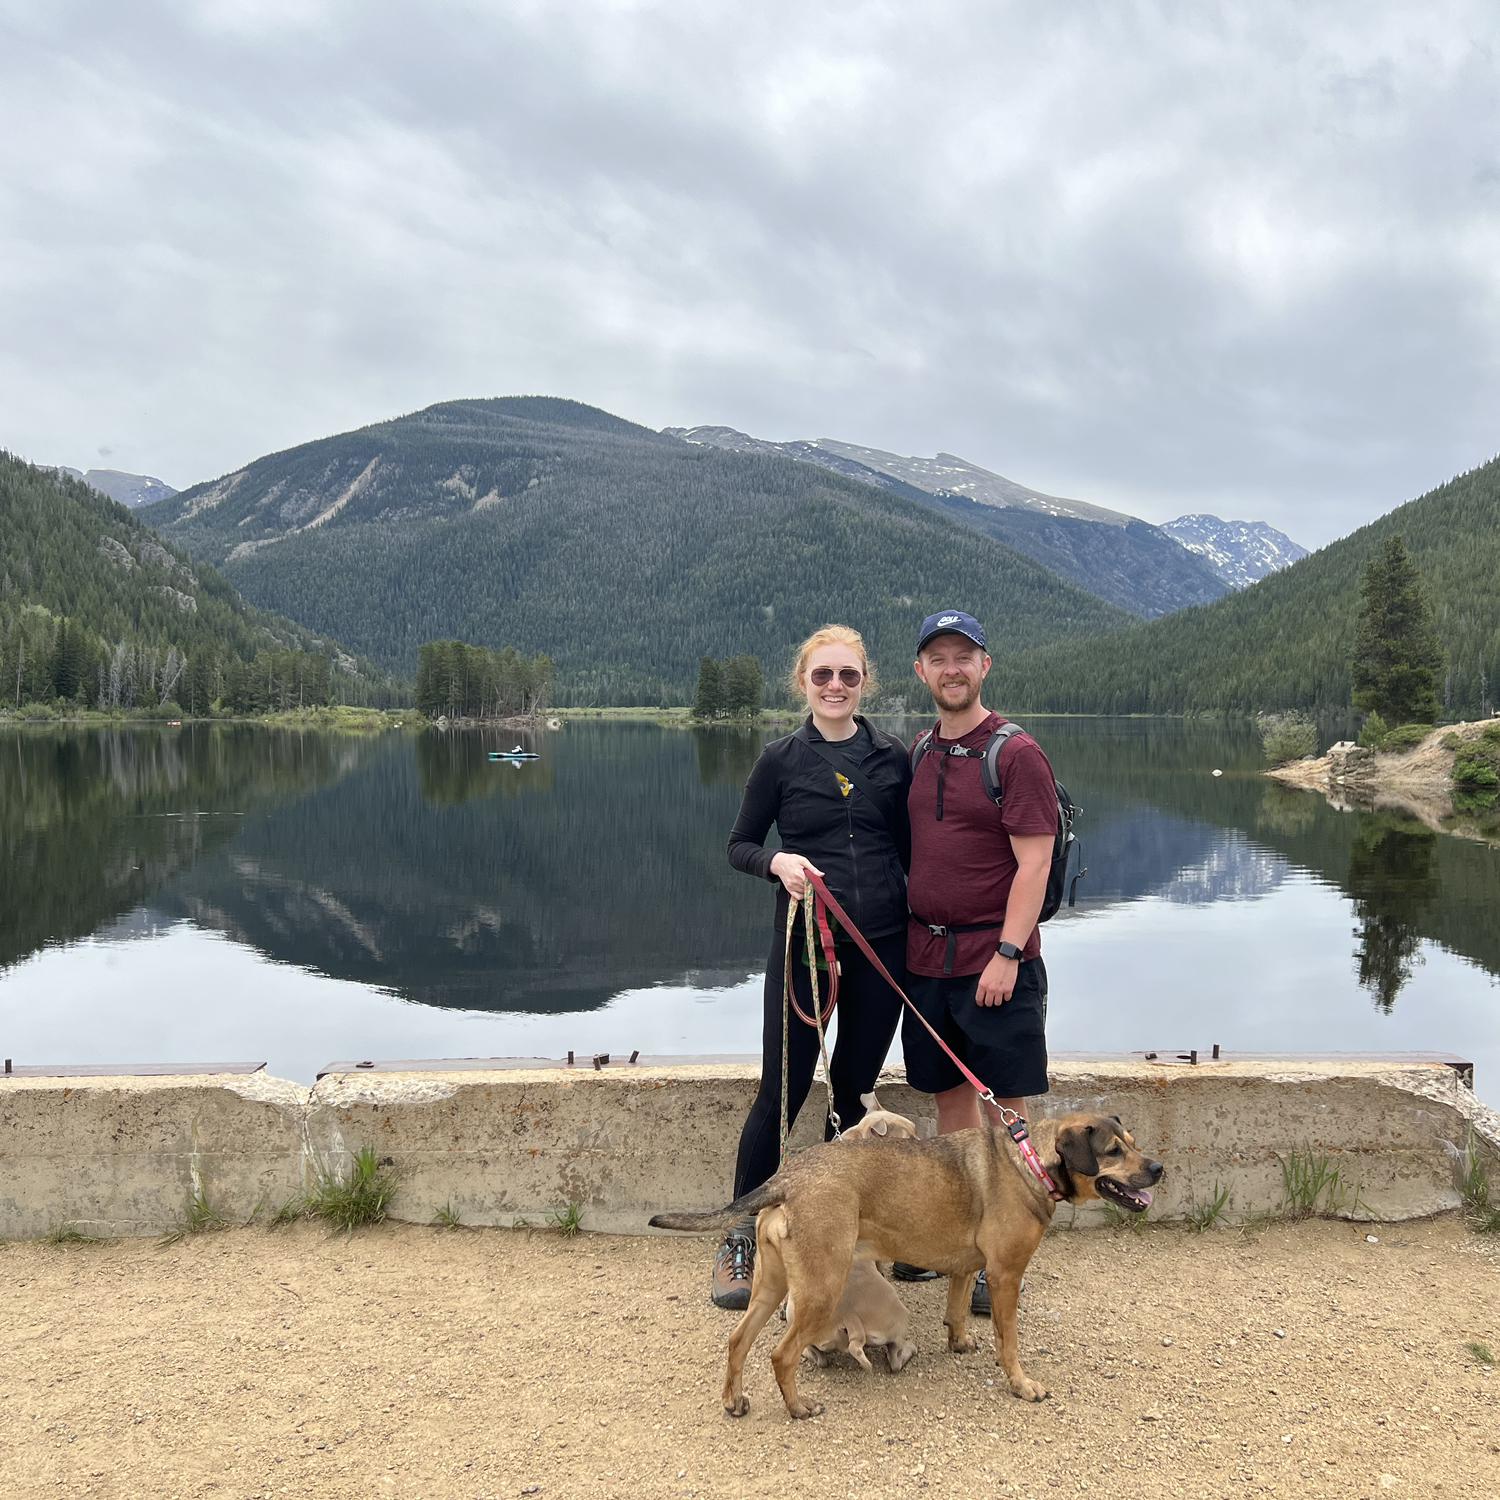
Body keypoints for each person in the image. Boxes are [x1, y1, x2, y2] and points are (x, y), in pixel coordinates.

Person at [715, 625, 913, 1310]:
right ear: (803, 682)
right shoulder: (780, 759)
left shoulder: (893, 756)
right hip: (803, 948)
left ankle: (853, 1234)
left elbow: (915, 848)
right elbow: (739, 844)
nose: (835, 687)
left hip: (882, 945)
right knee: (784, 1092)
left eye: (848, 676)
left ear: (866, 683)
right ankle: (741, 1233)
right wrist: (777, 862)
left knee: (856, 1093)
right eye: (822, 675)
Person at [894, 610, 1059, 1315]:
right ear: (921, 672)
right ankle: (956, 1242)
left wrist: (1008, 954)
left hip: (995, 961)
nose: (952, 668)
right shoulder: (921, 750)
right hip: (926, 958)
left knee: (1006, 1112)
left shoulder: (1015, 754)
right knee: (950, 1106)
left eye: (965, 656)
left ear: (985, 666)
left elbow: (1036, 863)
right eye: (939, 657)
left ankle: (1004, 1253)